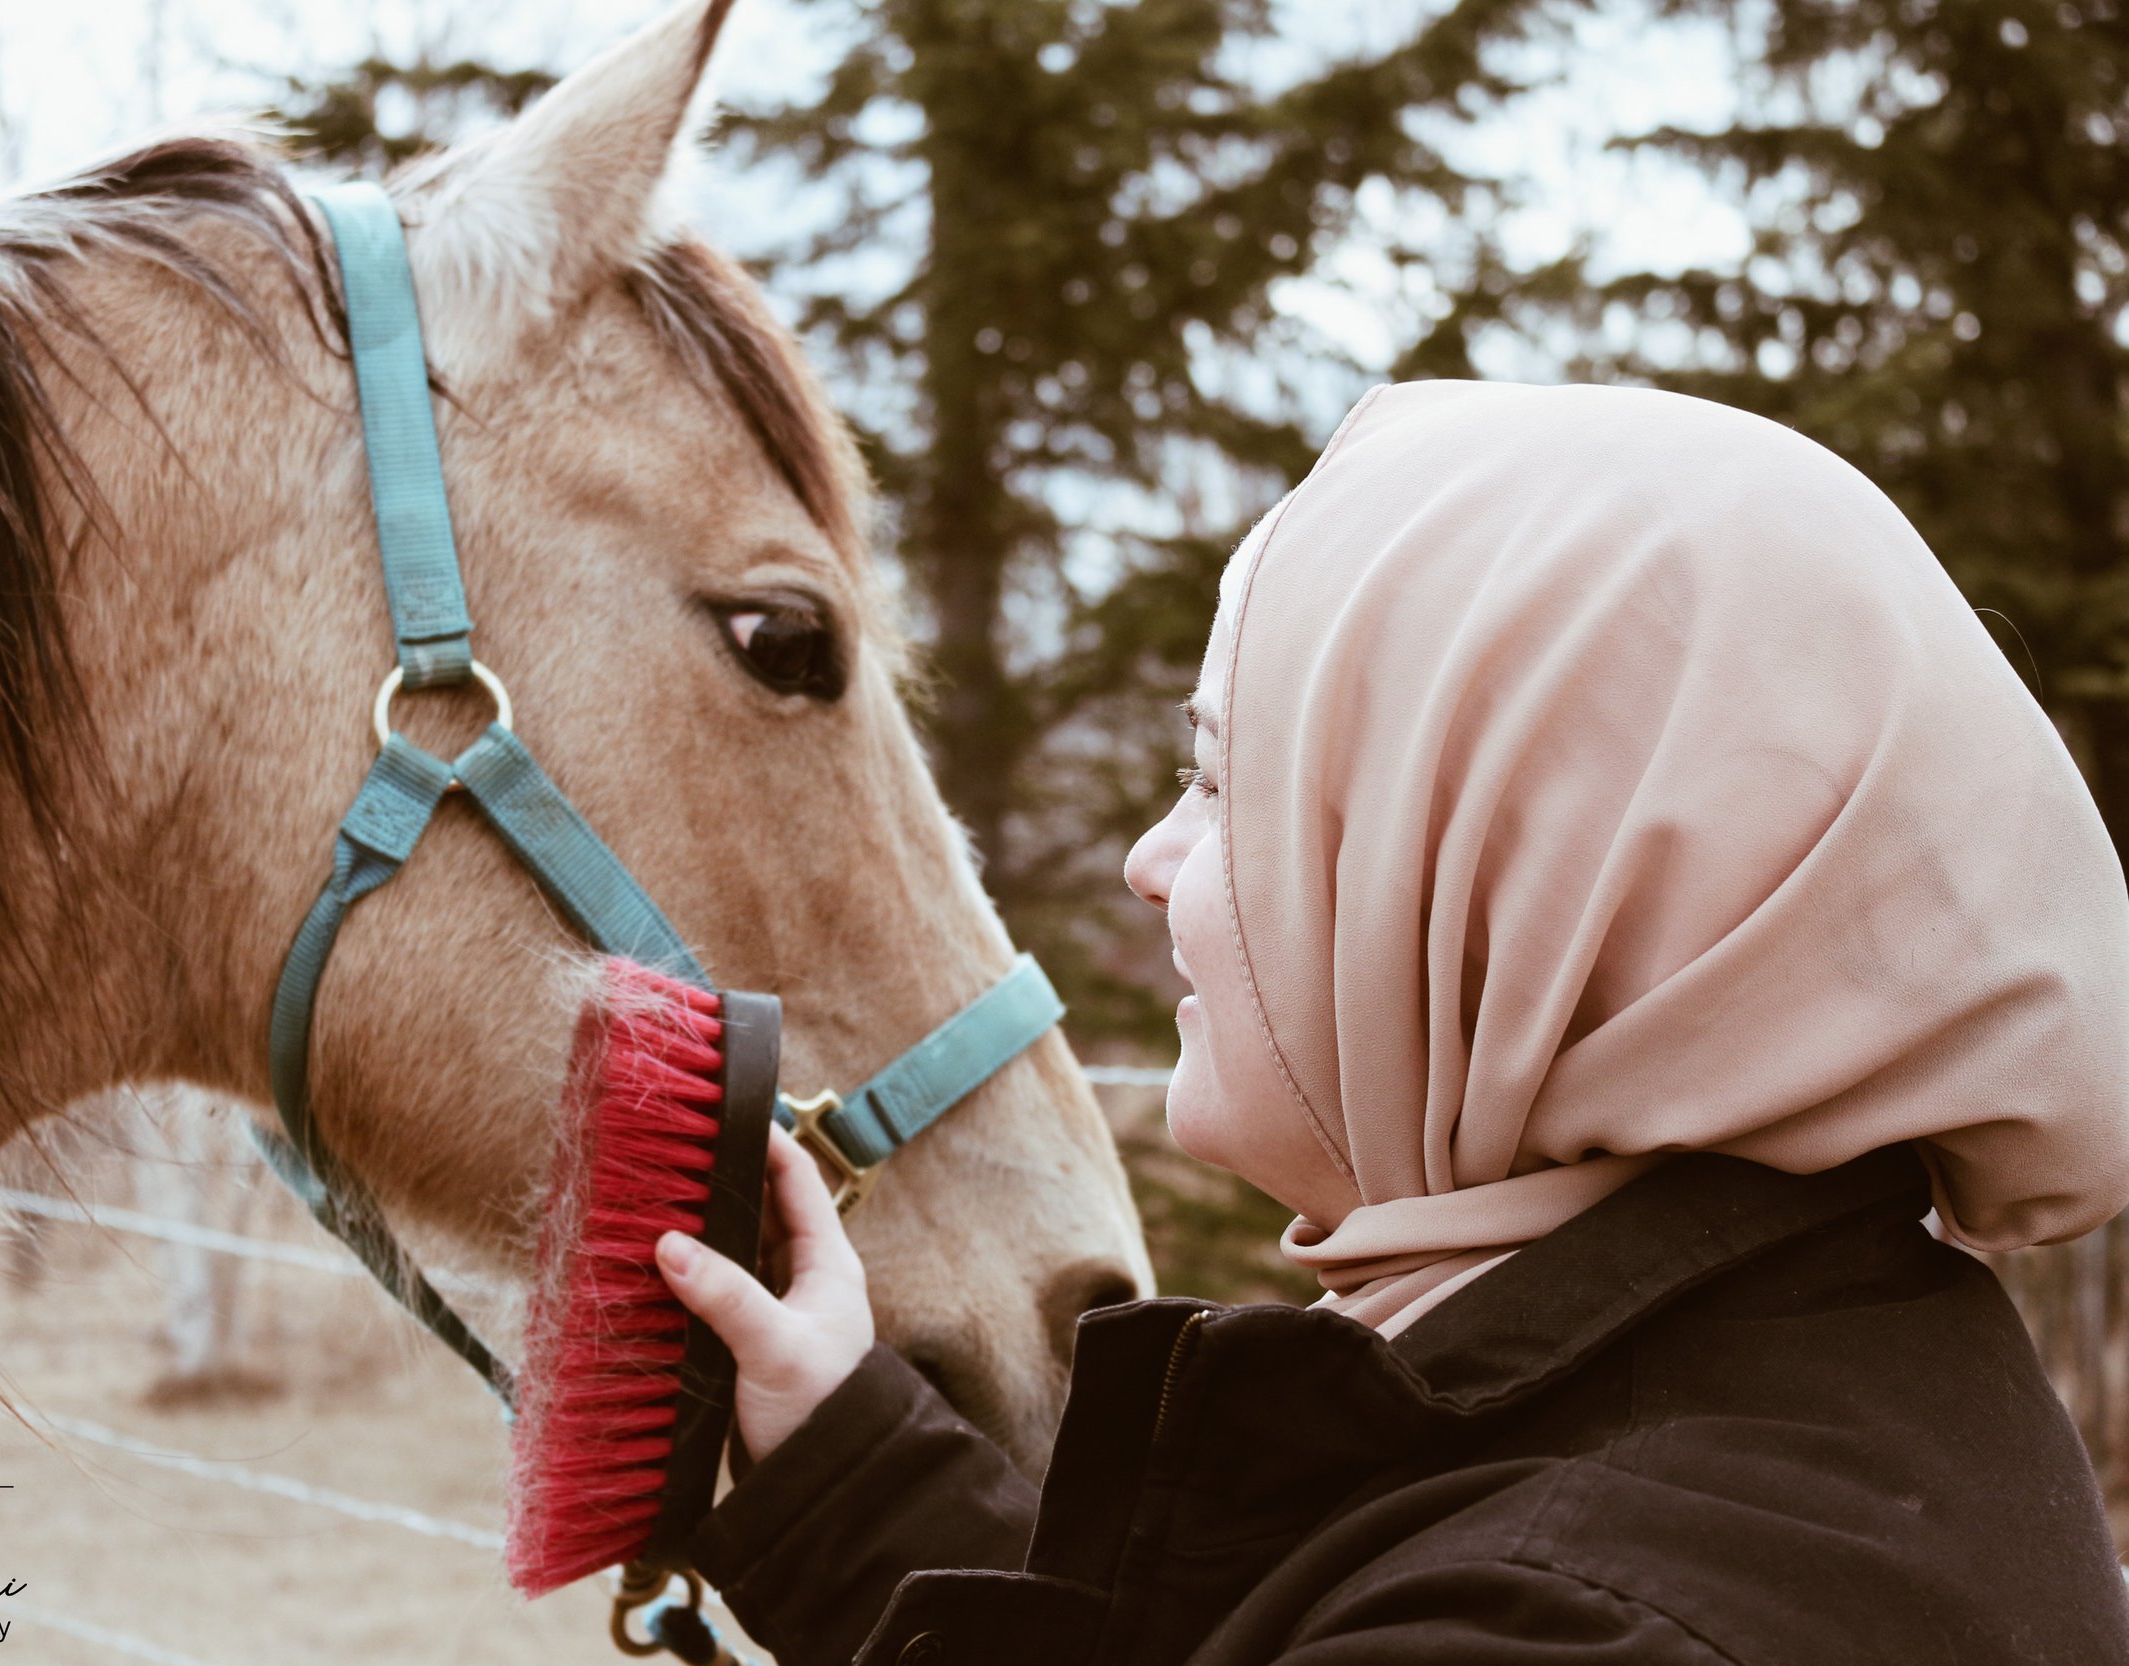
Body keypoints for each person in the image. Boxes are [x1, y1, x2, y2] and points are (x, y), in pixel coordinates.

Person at [652, 380, 2129, 1665]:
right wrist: (851, 1467)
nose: (1151, 859)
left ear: (1513, 899)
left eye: (1224, 785)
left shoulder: (1569, 1623)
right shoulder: (1816, 1392)